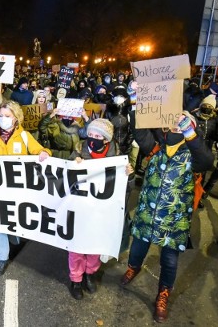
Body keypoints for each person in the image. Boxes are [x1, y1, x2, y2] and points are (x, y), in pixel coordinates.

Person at [123, 82, 214, 323]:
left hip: (173, 220)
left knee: (169, 260)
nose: (175, 123)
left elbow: (206, 160)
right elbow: (139, 130)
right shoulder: (156, 149)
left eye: (181, 121)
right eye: (172, 120)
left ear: (189, 128)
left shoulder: (192, 156)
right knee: (138, 247)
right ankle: (133, 267)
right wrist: (135, 100)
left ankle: (163, 293)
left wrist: (191, 135)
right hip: (146, 215)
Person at [0, 101, 51, 276]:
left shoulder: (25, 136)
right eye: (1, 116)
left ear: (16, 118)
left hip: (18, 190)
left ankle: (14, 235)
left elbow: (39, 150)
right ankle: (1, 258)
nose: (3, 119)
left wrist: (45, 153)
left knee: (15, 219)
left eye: (7, 116)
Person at [68, 119, 133, 300]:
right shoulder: (79, 150)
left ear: (106, 139)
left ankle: (90, 274)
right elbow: (65, 180)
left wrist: (129, 175)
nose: (93, 139)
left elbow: (126, 189)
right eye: (90, 135)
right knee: (76, 248)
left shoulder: (117, 156)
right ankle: (75, 279)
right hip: (80, 210)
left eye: (98, 136)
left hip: (101, 213)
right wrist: (74, 164)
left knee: (95, 245)